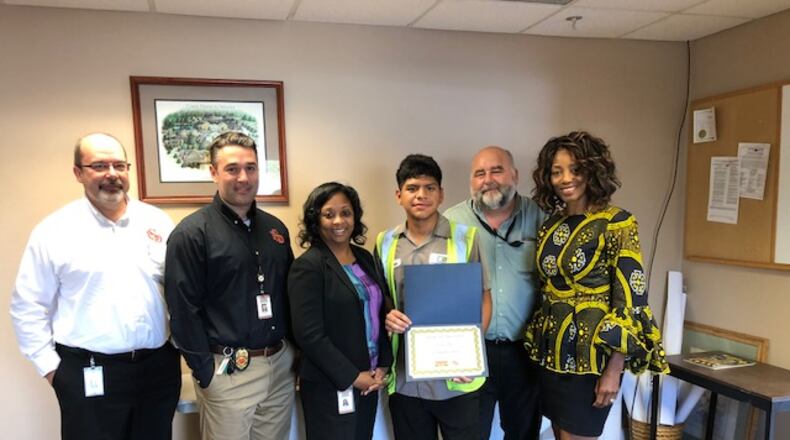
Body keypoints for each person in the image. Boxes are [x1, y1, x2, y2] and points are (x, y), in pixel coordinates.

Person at [10, 132, 181, 440]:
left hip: (157, 370)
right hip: (87, 372)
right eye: (99, 166)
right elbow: (27, 305)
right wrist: (53, 371)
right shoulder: (54, 231)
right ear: (78, 172)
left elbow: (178, 291)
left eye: (119, 165)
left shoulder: (156, 223)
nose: (112, 174)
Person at [525, 131, 669, 440]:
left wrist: (614, 367)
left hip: (591, 358)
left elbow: (630, 296)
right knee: (559, 433)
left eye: (575, 169)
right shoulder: (551, 225)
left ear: (593, 170)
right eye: (556, 171)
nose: (566, 178)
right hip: (551, 354)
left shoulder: (617, 222)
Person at [165, 131, 295, 440]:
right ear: (213, 172)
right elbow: (183, 310)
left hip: (279, 367)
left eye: (250, 168)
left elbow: (289, 294)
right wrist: (205, 373)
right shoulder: (192, 234)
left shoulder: (275, 229)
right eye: (232, 168)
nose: (244, 177)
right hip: (229, 371)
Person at [377, 154, 492, 440]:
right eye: (413, 188)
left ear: (441, 194)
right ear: (399, 195)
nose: (421, 195)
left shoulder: (466, 238)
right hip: (406, 380)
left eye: (429, 188)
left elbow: (484, 299)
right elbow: (382, 298)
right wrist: (387, 315)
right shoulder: (385, 242)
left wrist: (471, 358)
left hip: (456, 380)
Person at [445, 146, 545, 440]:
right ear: (471, 182)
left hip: (524, 352)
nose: (488, 179)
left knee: (524, 432)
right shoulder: (452, 222)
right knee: (469, 433)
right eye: (480, 173)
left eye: (496, 170)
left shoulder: (540, 218)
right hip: (473, 351)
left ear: (514, 175)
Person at [288, 182, 392, 440]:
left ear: (355, 217)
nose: (338, 221)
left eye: (345, 213)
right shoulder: (308, 267)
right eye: (328, 214)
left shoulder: (365, 258)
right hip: (331, 383)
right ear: (316, 220)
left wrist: (383, 365)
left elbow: (381, 313)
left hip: (369, 377)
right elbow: (309, 335)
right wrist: (352, 377)